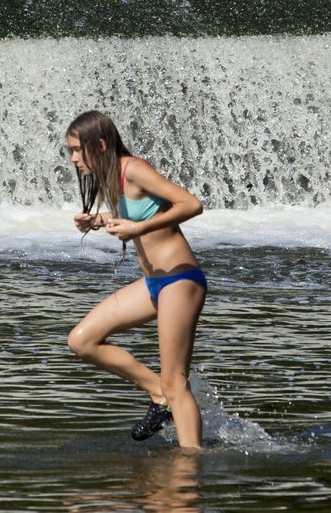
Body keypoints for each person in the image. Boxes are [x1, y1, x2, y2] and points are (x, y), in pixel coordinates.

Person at [65, 110, 206, 448]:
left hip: (179, 280)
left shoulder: (135, 170)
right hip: (154, 284)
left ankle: (190, 466)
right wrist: (99, 221)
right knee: (81, 341)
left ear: (99, 145)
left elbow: (191, 204)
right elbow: (135, 212)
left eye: (76, 150)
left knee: (177, 384)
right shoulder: (111, 175)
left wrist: (137, 228)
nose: (72, 159)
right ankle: (156, 391)